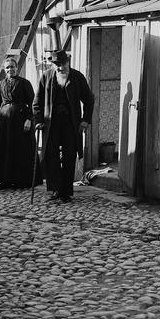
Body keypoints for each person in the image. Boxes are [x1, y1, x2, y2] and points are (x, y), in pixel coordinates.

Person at [32, 49, 94, 203]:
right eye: (57, 65)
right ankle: (56, 189)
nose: (60, 68)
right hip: (50, 124)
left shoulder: (77, 77)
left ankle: (66, 192)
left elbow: (89, 99)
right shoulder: (46, 77)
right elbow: (37, 103)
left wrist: (85, 119)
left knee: (69, 155)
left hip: (71, 123)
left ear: (68, 62)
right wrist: (38, 120)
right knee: (51, 155)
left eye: (63, 64)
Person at [0, 55, 41, 190]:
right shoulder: (1, 84)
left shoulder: (24, 83)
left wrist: (29, 119)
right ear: (4, 70)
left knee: (20, 149)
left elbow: (33, 103)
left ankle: (21, 180)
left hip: (21, 120)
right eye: (7, 68)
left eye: (12, 67)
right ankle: (5, 180)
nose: (9, 69)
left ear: (17, 68)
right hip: (5, 121)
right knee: (5, 149)